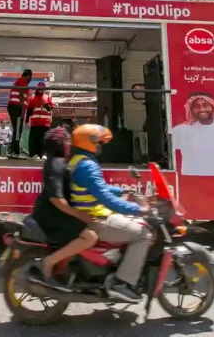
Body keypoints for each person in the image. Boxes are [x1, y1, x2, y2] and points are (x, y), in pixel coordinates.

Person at [68, 124, 152, 302]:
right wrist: (139, 209)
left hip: (89, 214)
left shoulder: (79, 160)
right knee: (143, 234)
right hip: (95, 218)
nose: (100, 146)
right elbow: (106, 199)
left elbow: (100, 189)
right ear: (88, 143)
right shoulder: (88, 166)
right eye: (98, 142)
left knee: (131, 224)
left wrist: (123, 192)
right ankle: (121, 284)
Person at [29, 127, 98, 292]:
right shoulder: (56, 163)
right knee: (90, 237)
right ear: (61, 144)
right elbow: (56, 198)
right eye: (67, 141)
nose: (70, 144)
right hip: (51, 215)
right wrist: (79, 215)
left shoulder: (58, 161)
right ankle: (49, 262)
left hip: (53, 211)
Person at [7, 69, 32, 158]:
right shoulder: (22, 81)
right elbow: (21, 96)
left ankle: (13, 150)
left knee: (17, 130)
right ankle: (15, 152)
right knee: (18, 130)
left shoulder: (19, 81)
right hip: (17, 107)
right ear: (28, 76)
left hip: (15, 107)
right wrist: (22, 111)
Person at [26, 82, 55, 159]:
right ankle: (34, 154)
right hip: (35, 123)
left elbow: (51, 108)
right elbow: (29, 110)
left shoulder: (47, 97)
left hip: (45, 123)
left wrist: (46, 105)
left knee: (44, 140)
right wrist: (26, 120)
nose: (41, 90)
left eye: (42, 88)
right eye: (40, 88)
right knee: (34, 139)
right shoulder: (32, 98)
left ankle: (44, 154)